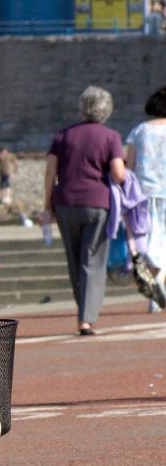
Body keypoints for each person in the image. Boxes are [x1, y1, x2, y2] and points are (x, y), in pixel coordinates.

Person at [42, 86, 127, 335]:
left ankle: (84, 311)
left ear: (82, 107)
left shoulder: (62, 136)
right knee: (93, 260)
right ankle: (86, 318)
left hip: (65, 203)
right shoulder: (111, 137)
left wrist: (46, 207)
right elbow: (119, 173)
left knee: (75, 260)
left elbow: (50, 173)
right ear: (106, 110)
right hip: (97, 203)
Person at [124, 85, 166, 312]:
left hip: (145, 192)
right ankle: (158, 284)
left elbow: (129, 167)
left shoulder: (139, 131)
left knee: (149, 241)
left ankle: (154, 284)